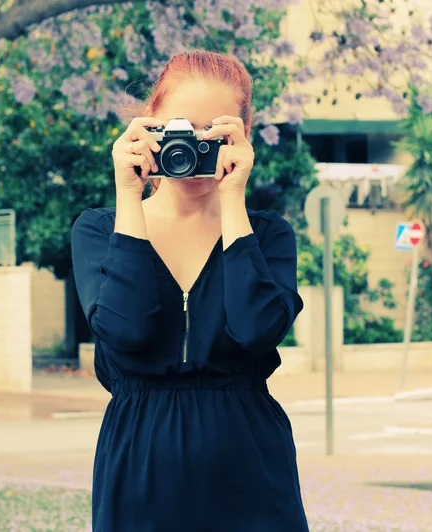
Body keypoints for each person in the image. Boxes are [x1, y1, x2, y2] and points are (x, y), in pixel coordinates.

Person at [71, 49, 309, 532]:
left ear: (241, 136)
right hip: (139, 469)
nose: (196, 151)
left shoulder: (267, 235)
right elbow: (126, 329)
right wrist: (127, 196)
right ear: (147, 126)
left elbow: (256, 329)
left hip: (251, 471)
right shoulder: (99, 229)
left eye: (214, 136)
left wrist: (232, 199)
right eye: (180, 131)